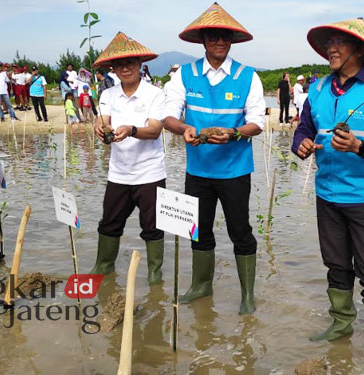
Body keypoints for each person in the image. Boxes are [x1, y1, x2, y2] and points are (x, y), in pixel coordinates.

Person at [293, 17, 364, 369]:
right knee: (336, 264)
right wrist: (302, 144)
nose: (332, 49)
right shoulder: (316, 90)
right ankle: (341, 323)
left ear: (360, 50)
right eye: (329, 44)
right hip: (327, 192)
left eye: (339, 43)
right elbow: (304, 129)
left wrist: (359, 146)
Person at [162, 2, 265, 315]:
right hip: (199, 170)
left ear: (231, 41)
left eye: (225, 36)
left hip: (235, 170)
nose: (219, 41)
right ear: (203, 39)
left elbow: (257, 121)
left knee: (240, 231)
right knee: (199, 229)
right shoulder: (184, 75)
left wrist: (233, 134)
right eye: (213, 36)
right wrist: (185, 128)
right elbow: (169, 115)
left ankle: (247, 295)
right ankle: (201, 285)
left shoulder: (248, 76)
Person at [90, 32, 167, 285]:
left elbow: (155, 130)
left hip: (150, 174)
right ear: (112, 68)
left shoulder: (154, 94)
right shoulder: (108, 95)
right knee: (109, 224)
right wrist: (99, 126)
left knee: (152, 228)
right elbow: (103, 120)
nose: (125, 68)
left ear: (140, 65)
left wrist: (132, 129)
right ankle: (103, 268)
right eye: (119, 64)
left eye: (130, 63)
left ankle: (155, 276)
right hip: (118, 174)